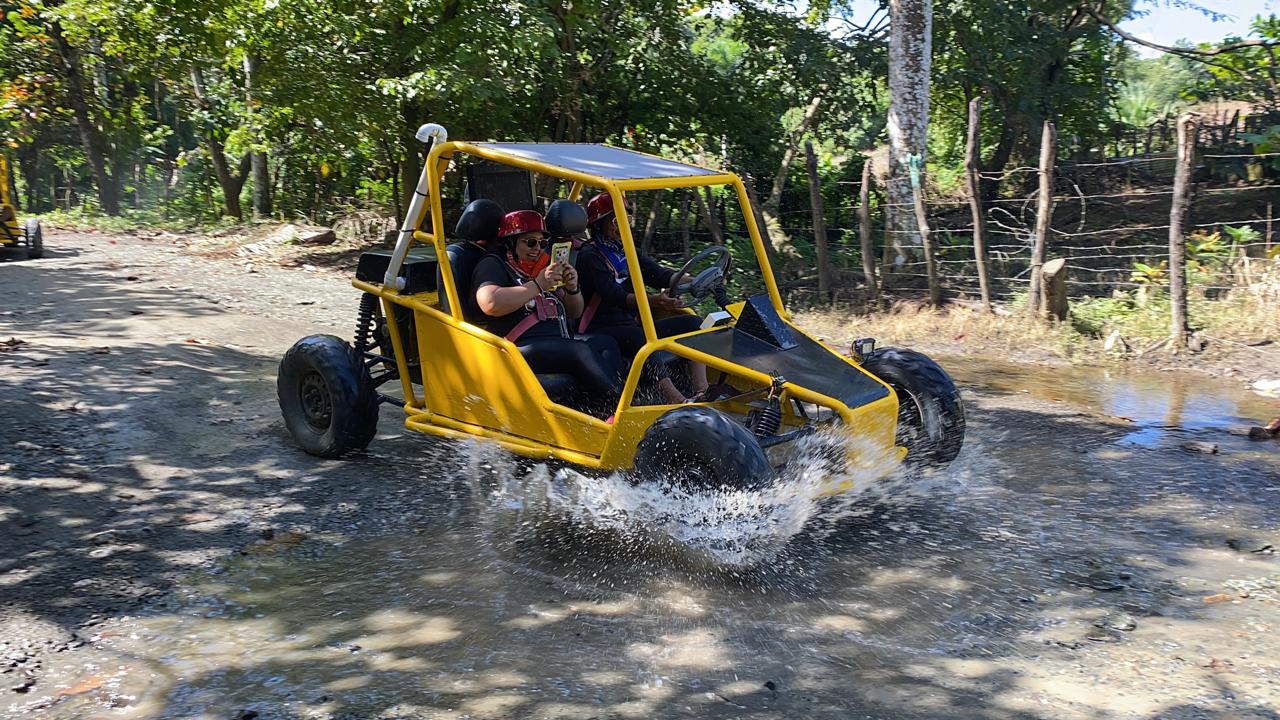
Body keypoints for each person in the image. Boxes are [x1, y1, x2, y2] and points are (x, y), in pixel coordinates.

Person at [472, 209, 623, 412]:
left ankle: (595, 412)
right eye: (530, 242)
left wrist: (572, 288)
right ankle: (621, 410)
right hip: (515, 348)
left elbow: (574, 312)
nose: (537, 249)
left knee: (607, 342)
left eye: (542, 243)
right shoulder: (493, 264)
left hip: (554, 341)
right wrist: (537, 285)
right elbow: (490, 303)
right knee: (580, 350)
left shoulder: (541, 269)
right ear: (511, 242)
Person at [574, 192, 709, 404]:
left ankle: (703, 391)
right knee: (641, 337)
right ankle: (677, 400)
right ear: (599, 225)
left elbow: (659, 274)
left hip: (631, 323)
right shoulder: (589, 256)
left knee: (694, 323)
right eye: (616, 220)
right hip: (599, 327)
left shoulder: (628, 251)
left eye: (626, 219)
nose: (623, 226)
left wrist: (694, 281)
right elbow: (615, 295)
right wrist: (656, 301)